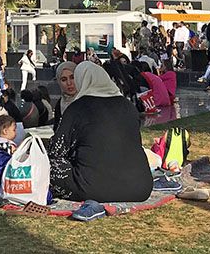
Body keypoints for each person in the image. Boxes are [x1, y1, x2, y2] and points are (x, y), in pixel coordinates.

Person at [48, 61, 153, 203]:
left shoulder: (77, 108)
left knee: (51, 166)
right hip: (140, 188)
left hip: (93, 189)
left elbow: (56, 151)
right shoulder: (127, 105)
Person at [52, 61, 77, 129]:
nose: (69, 83)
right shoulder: (59, 105)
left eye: (72, 77)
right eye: (64, 79)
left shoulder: (87, 101)